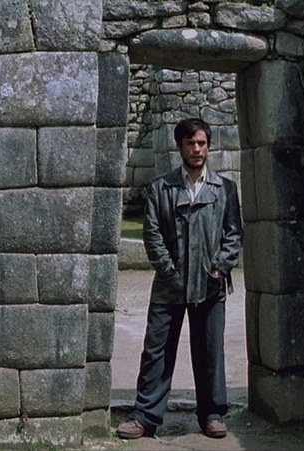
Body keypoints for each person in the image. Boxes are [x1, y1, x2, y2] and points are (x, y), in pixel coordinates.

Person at [116, 118, 243, 440]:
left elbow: (233, 235)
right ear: (180, 147)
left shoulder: (225, 189)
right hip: (169, 285)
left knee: (210, 351)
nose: (196, 149)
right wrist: (168, 269)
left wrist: (219, 268)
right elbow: (152, 233)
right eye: (190, 143)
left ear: (208, 146)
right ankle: (146, 417)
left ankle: (212, 413)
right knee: (156, 351)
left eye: (201, 143)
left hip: (210, 284)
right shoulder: (161, 187)